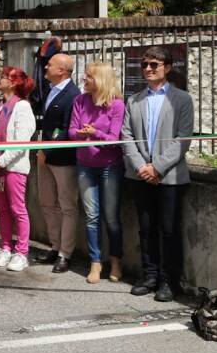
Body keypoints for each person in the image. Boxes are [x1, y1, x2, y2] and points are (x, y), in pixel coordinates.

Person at [121, 46, 194, 302]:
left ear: (167, 68)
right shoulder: (134, 100)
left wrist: (158, 167)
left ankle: (168, 280)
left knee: (169, 230)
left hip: (169, 176)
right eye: (145, 65)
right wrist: (142, 166)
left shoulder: (182, 100)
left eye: (154, 64)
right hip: (140, 175)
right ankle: (149, 275)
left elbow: (183, 139)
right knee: (146, 228)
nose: (148, 69)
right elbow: (126, 136)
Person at [69, 62, 126, 284]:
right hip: (85, 164)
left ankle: (116, 260)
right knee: (91, 216)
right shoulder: (80, 101)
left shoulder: (117, 105)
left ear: (101, 79)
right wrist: (83, 134)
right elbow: (72, 131)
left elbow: (115, 139)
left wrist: (96, 133)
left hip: (110, 166)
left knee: (111, 217)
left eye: (89, 76)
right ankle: (95, 262)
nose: (84, 79)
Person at [0, 66, 37, 272]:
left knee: (17, 210)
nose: (0, 79)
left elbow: (21, 141)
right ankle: (6, 247)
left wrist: (1, 162)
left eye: (5, 77)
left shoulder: (22, 107)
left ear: (14, 83)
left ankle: (22, 253)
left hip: (13, 167)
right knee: (3, 210)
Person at [35, 52, 81, 273]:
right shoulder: (51, 91)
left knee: (67, 206)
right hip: (45, 157)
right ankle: (54, 246)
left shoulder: (73, 95)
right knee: (47, 203)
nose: (45, 68)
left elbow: (66, 128)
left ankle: (65, 253)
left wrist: (46, 149)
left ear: (62, 70)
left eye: (50, 65)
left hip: (63, 160)